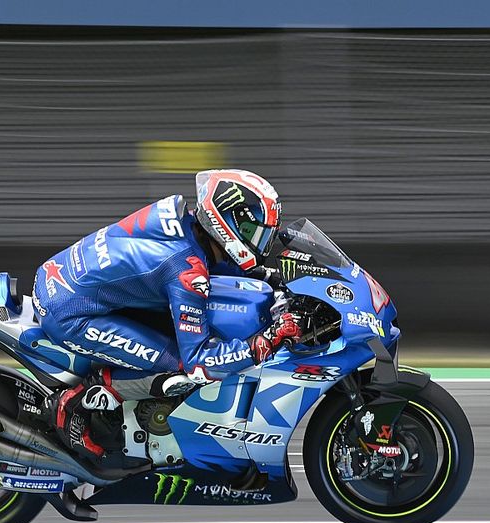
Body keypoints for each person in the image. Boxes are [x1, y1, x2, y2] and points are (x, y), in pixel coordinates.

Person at [32, 169, 309, 462]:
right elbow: (200, 362)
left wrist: (269, 277)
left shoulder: (179, 216)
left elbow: (198, 259)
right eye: (255, 232)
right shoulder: (186, 271)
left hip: (59, 277)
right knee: (180, 368)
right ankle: (75, 401)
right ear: (225, 222)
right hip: (71, 313)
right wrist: (264, 342)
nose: (261, 243)